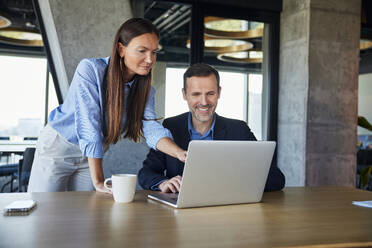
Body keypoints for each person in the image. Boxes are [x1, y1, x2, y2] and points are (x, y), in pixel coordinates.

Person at [28, 18, 186, 193]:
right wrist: (98, 181)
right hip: (58, 149)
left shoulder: (147, 91)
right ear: (121, 49)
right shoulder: (90, 70)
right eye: (142, 51)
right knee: (44, 210)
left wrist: (179, 153)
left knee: (84, 216)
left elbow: (151, 128)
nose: (150, 59)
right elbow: (89, 125)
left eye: (154, 52)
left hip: (90, 157)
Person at [138, 63, 285, 193]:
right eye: (196, 94)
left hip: (226, 211)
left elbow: (276, 178)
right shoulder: (171, 126)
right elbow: (146, 173)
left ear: (219, 93)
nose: (204, 102)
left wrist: (231, 180)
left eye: (210, 94)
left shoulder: (239, 129)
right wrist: (163, 183)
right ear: (184, 94)